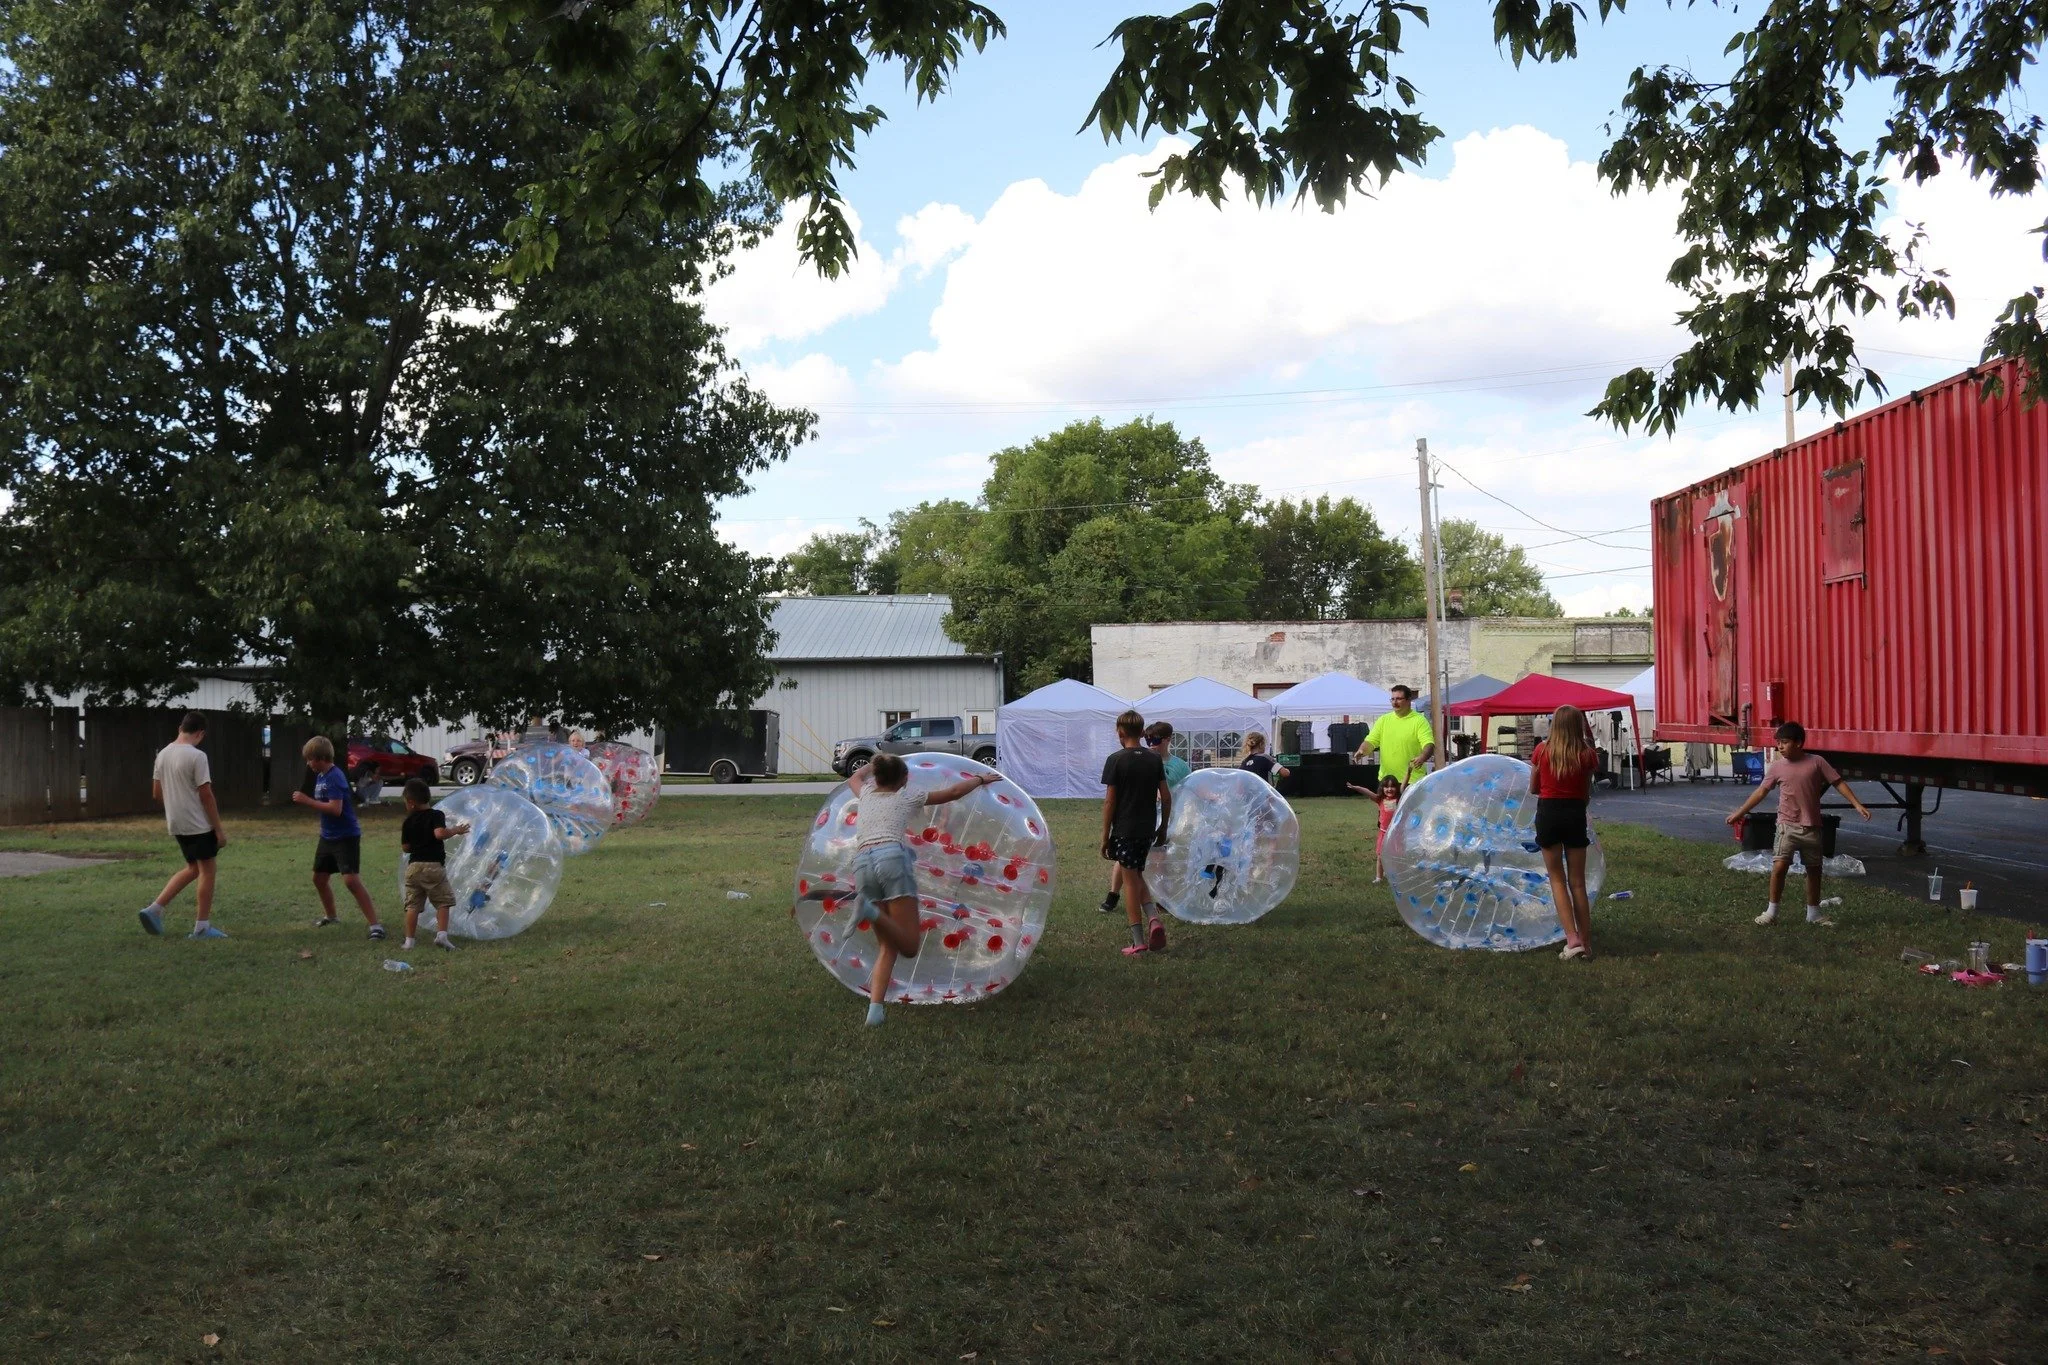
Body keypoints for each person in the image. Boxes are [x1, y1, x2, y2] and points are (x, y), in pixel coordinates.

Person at [845, 753, 1000, 1025]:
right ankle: (869, 910)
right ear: (904, 780)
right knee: (909, 946)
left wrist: (877, 763)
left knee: (888, 945)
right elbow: (952, 792)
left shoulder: (866, 793)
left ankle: (875, 1010)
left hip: (862, 864)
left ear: (877, 777)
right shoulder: (907, 796)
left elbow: (855, 776)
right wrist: (979, 779)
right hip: (890, 858)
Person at [1726, 720, 1871, 927]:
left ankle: (1813, 913)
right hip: (1787, 826)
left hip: (1812, 827)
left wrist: (1857, 805)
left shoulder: (1817, 762)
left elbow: (1838, 782)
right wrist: (1740, 812)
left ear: (1799, 743)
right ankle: (1771, 912)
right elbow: (1761, 792)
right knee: (1779, 867)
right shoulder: (1777, 767)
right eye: (1778, 743)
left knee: (1814, 870)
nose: (1780, 747)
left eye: (1784, 742)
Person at [138, 712, 229, 938]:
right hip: (198, 823)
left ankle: (154, 909)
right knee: (208, 870)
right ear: (200, 733)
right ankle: (202, 927)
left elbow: (156, 793)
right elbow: (206, 795)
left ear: (180, 728)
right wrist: (218, 829)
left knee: (193, 868)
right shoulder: (197, 756)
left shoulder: (163, 755)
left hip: (177, 822)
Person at [292, 736, 385, 940]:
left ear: (320, 758)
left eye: (310, 759)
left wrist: (307, 801)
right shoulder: (321, 776)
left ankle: (375, 926)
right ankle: (331, 916)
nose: (308, 764)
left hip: (346, 836)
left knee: (351, 880)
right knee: (319, 878)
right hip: (328, 836)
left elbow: (335, 809)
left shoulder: (335, 776)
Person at [1529, 705, 1600, 961]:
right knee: (1577, 882)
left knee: (1557, 879)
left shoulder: (1542, 750)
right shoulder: (1587, 755)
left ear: (1554, 724)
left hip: (1548, 813)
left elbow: (1534, 788)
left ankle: (1572, 939)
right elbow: (1585, 792)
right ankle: (1587, 943)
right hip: (1575, 814)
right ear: (1578, 725)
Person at [1101, 709, 1173, 957]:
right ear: (1142, 733)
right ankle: (1153, 919)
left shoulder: (1116, 759)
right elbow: (1165, 797)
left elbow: (1110, 803)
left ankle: (1138, 942)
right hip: (1146, 830)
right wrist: (1162, 828)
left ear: (1120, 732)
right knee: (1137, 875)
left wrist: (1104, 837)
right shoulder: (1154, 760)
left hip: (1125, 829)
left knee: (1130, 883)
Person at [1099, 722, 1188, 915]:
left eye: (1155, 740)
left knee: (1158, 860)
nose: (1151, 744)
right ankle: (1114, 895)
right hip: (1139, 817)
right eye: (1147, 739)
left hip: (1161, 818)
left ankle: (1159, 902)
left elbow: (1185, 789)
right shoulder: (1143, 760)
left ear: (1167, 740)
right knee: (1125, 862)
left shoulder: (1177, 765)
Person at [398, 778, 471, 951]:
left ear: (411, 803)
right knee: (443, 902)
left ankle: (409, 942)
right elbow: (439, 834)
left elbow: (406, 848)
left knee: (413, 906)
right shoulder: (436, 815)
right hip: (433, 867)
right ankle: (442, 936)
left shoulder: (408, 821)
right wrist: (455, 830)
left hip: (413, 868)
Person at [1355, 684, 1436, 788]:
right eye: (1392, 699)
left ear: (1408, 700)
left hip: (1412, 781)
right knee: (1388, 805)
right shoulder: (1383, 720)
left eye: (1398, 699)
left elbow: (1428, 744)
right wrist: (1362, 750)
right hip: (1386, 780)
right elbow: (1371, 741)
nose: (1394, 702)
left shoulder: (1419, 721)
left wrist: (1423, 756)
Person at [1345, 773, 1403, 883]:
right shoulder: (1379, 799)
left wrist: (1408, 773)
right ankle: (1379, 877)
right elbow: (1367, 791)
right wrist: (1356, 787)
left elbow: (1404, 786)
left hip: (1396, 834)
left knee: (1395, 855)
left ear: (1397, 788)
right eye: (1386, 786)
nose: (1389, 789)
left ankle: (1393, 874)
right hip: (1383, 833)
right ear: (1382, 788)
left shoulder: (1399, 800)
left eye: (1392, 786)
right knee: (1380, 856)